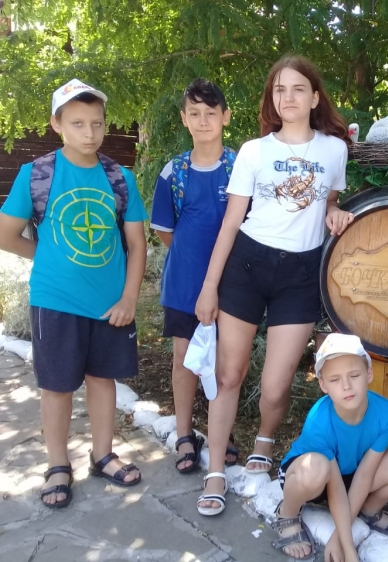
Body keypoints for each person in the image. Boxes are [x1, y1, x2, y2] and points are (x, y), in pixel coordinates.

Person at [194, 55, 354, 516]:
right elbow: (231, 222)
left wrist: (333, 212)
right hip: (247, 265)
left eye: (298, 88)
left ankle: (264, 440)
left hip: (300, 274)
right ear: (272, 98)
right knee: (228, 375)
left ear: (315, 97)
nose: (288, 97)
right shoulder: (253, 151)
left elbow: (328, 202)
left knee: (275, 385)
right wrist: (209, 287)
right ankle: (216, 472)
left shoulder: (334, 150)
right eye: (280, 89)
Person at [0, 79, 148, 507]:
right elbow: (6, 234)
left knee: (103, 380)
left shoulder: (120, 179)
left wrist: (129, 298)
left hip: (110, 304)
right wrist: (47, 255)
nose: (90, 132)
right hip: (55, 302)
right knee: (57, 386)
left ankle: (103, 455)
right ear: (57, 124)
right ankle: (57, 465)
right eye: (78, 123)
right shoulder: (37, 175)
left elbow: (137, 244)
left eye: (97, 123)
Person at [150, 78, 239, 473]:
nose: (204, 121)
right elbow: (165, 231)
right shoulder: (175, 172)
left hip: (234, 284)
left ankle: (223, 433)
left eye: (211, 113)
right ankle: (184, 434)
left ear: (225, 117)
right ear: (184, 119)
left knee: (226, 362)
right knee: (185, 360)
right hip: (184, 284)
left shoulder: (240, 168)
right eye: (195, 113)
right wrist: (193, 263)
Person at [272, 333, 388, 561]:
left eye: (354, 375)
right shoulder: (318, 421)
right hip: (311, 477)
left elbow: (365, 475)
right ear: (323, 385)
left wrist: (337, 539)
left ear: (369, 373)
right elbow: (335, 489)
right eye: (335, 380)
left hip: (350, 473)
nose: (346, 386)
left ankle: (369, 510)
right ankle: (287, 514)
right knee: (316, 469)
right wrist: (348, 547)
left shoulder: (387, 413)